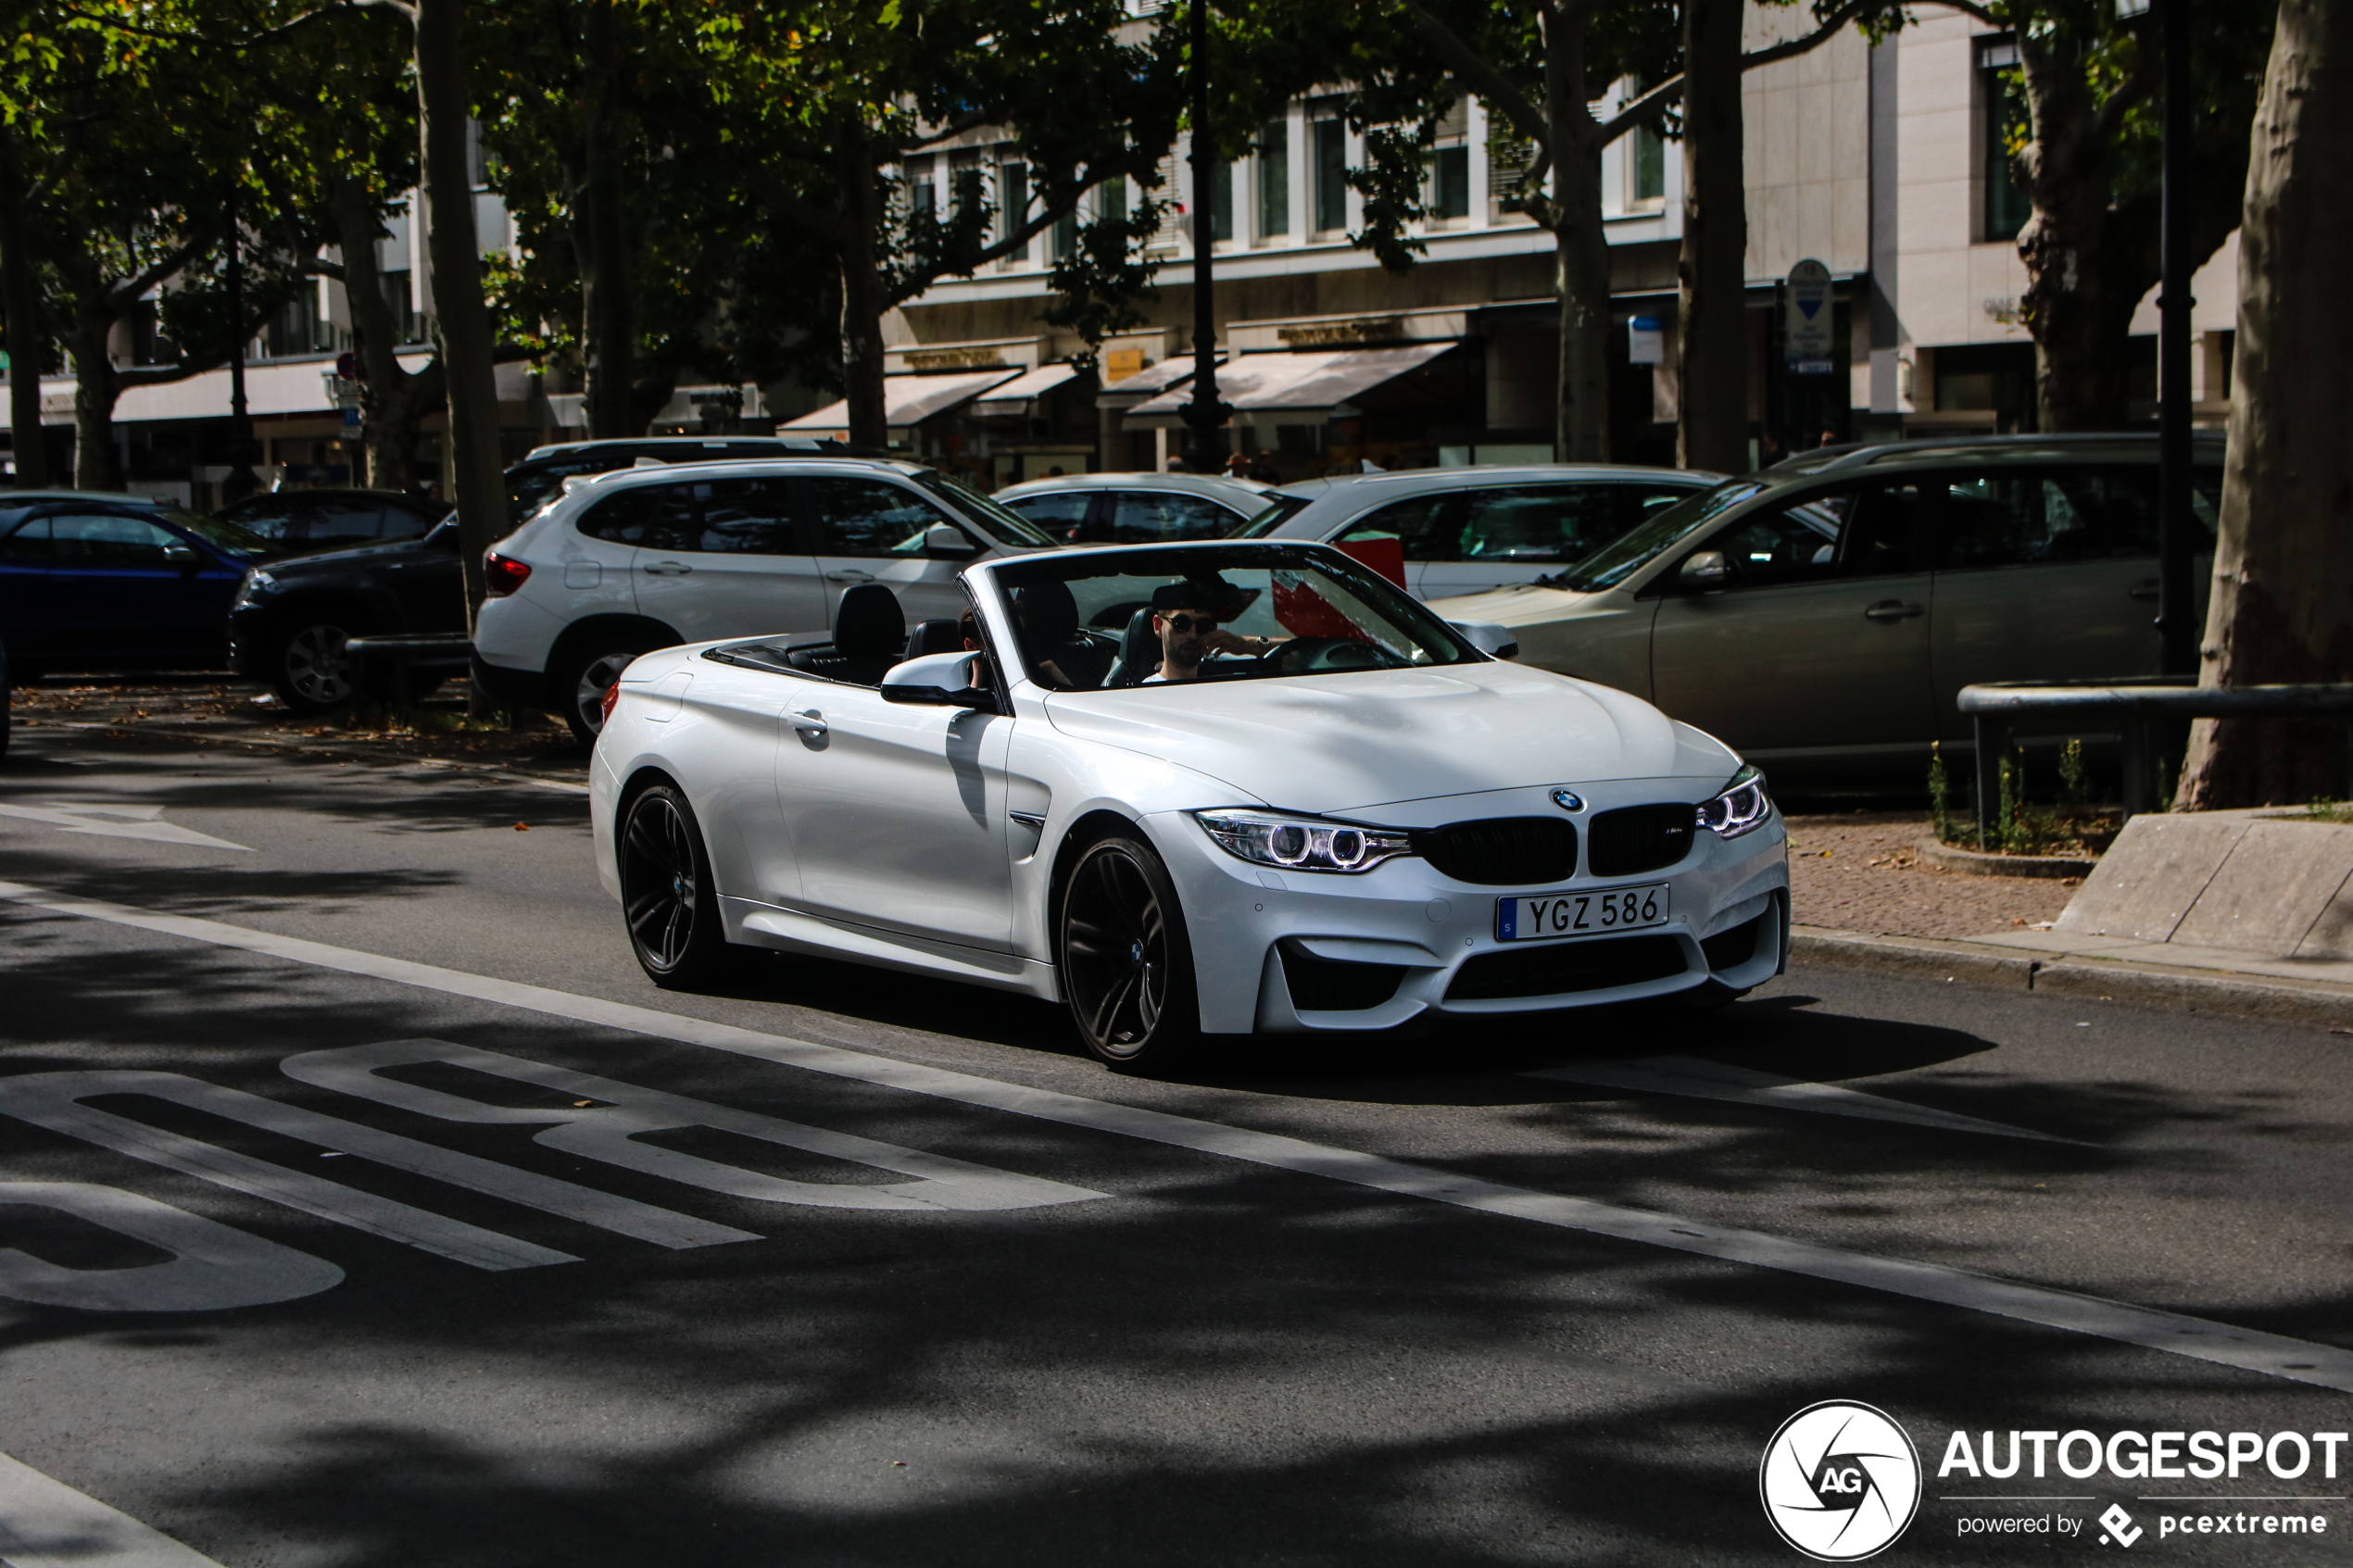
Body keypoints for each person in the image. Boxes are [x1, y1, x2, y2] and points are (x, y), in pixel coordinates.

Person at [1141, 580, 1281, 684]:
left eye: (1204, 625)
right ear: (1158, 626)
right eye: (1181, 624)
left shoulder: (1225, 684)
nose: (1193, 634)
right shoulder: (1143, 694)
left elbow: (1298, 650)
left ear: (1214, 629)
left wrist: (1247, 645)